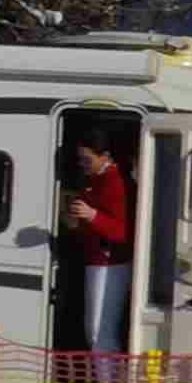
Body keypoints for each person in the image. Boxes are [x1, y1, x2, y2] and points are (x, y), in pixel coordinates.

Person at [55, 117, 137, 356]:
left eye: (87, 159)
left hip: (111, 264)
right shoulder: (93, 180)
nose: (82, 164)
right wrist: (75, 223)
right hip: (95, 260)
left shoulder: (117, 183)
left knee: (99, 332)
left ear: (105, 156)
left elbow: (123, 232)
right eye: (80, 159)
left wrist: (91, 216)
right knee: (94, 331)